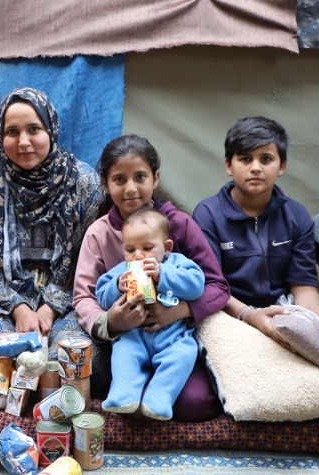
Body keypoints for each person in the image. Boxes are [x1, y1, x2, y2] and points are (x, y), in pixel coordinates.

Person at [0, 87, 104, 378]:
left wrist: (51, 308)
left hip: (67, 295)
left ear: (51, 129)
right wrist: (19, 308)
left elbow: (89, 260)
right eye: (12, 132)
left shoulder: (84, 182)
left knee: (73, 360)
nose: (24, 142)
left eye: (34, 129)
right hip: (0, 295)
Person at [73, 133, 230, 422]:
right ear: (106, 184)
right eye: (119, 179)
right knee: (102, 373)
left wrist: (181, 311)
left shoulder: (179, 224)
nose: (131, 189)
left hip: (174, 334)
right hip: (125, 338)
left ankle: (154, 397)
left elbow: (216, 285)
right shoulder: (98, 232)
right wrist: (110, 322)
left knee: (195, 403)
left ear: (155, 178)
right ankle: (128, 393)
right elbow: (85, 294)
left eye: (140, 177)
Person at [192, 116, 319, 352]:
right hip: (227, 312)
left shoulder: (297, 215)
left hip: (282, 310)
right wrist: (249, 315)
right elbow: (210, 286)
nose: (255, 167)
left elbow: (302, 284)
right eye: (245, 159)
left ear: (282, 166)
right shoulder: (207, 214)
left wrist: (317, 315)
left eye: (266, 159)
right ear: (228, 165)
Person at [95, 207, 204, 420]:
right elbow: (101, 295)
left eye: (147, 247)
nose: (137, 255)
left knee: (185, 354)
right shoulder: (123, 270)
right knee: (123, 352)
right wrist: (117, 285)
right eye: (130, 249)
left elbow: (197, 285)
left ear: (167, 247)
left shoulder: (177, 263)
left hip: (172, 337)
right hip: (134, 335)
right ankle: (123, 395)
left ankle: (160, 399)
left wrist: (162, 274)